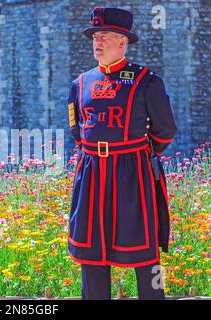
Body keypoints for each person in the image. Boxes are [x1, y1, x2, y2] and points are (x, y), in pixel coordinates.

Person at [67, 7, 177, 300]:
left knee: (145, 253)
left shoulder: (146, 81)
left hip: (133, 176)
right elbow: (76, 130)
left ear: (122, 42)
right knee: (91, 255)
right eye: (94, 36)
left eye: (104, 36)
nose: (97, 42)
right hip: (91, 175)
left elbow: (165, 131)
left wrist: (132, 154)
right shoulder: (80, 84)